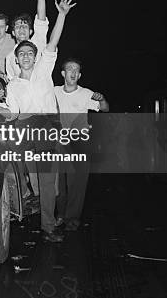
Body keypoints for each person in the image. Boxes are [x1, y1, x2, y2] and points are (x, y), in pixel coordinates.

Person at [6, 0, 76, 243]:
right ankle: (13, 208)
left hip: (46, 127)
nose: (26, 56)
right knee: (6, 163)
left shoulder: (44, 70)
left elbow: (53, 39)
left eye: (29, 54)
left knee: (48, 182)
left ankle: (48, 225)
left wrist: (62, 15)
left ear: (35, 58)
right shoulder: (12, 85)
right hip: (25, 127)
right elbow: (13, 114)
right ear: (16, 59)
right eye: (22, 54)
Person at [54, 58, 109, 231]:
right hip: (59, 139)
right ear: (63, 73)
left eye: (76, 70)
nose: (73, 72)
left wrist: (101, 100)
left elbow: (105, 108)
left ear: (79, 75)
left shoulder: (86, 93)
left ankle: (72, 218)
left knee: (77, 182)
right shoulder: (53, 91)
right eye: (69, 69)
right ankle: (60, 214)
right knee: (59, 181)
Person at [5, 0, 48, 79]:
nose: (21, 29)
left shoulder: (39, 42)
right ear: (13, 33)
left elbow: (41, 19)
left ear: (31, 31)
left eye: (25, 26)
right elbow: (12, 83)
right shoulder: (10, 57)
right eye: (18, 26)